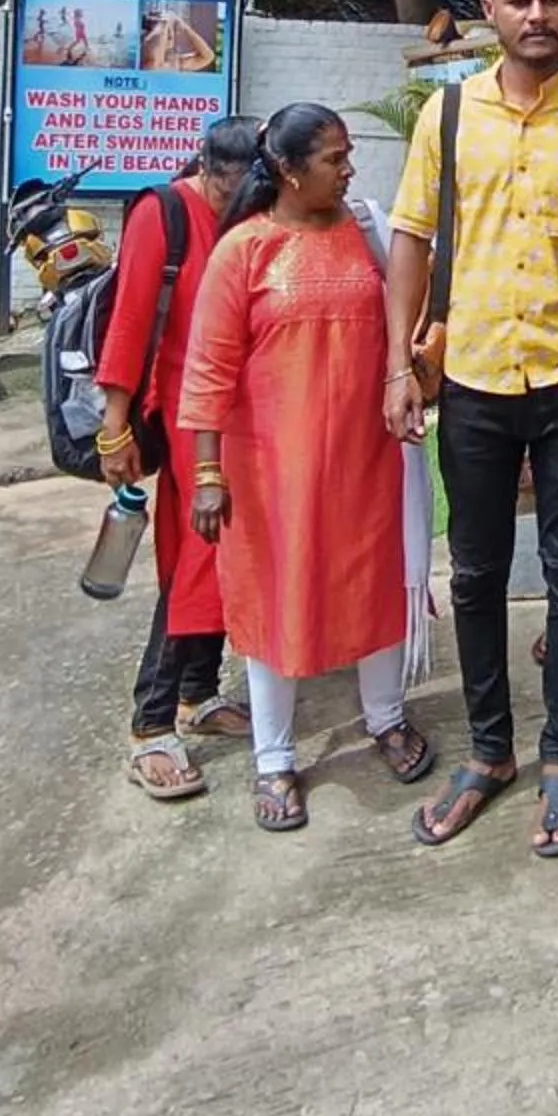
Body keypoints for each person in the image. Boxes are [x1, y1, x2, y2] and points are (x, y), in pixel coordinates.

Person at [384, 0, 558, 860]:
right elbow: (411, 240)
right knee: (479, 573)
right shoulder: (446, 118)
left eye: (552, 0)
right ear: (490, 11)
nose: (537, 15)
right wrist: (397, 368)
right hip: (475, 379)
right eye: (520, 0)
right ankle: (490, 753)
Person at [180, 105, 432, 830]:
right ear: (289, 170)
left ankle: (385, 717)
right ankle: (275, 759)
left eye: (348, 155)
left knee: (376, 583)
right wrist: (207, 473)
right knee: (277, 599)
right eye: (333, 158)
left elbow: (404, 319)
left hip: (367, 456)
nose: (348, 169)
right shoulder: (245, 251)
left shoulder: (364, 232)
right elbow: (210, 369)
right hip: (271, 470)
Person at [95, 116, 257, 801]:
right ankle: (151, 723)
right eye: (234, 186)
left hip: (241, 415)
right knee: (197, 555)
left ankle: (197, 692)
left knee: (229, 554)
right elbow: (131, 320)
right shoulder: (163, 213)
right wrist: (114, 424)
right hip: (187, 411)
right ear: (208, 169)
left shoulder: (250, 214)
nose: (242, 199)